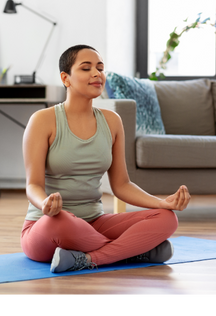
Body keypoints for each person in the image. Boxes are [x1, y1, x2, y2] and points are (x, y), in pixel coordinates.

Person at [21, 45, 191, 273]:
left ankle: (90, 258)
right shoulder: (42, 120)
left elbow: (121, 184)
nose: (96, 74)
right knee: (61, 222)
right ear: (66, 78)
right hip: (50, 225)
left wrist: (161, 203)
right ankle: (134, 252)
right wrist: (45, 205)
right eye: (86, 68)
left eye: (100, 68)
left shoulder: (112, 121)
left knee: (167, 219)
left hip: (96, 224)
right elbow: (33, 185)